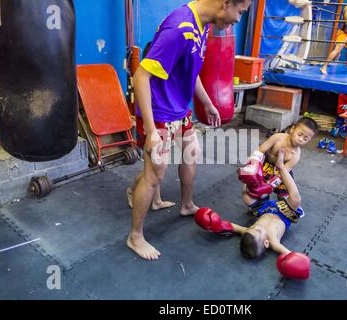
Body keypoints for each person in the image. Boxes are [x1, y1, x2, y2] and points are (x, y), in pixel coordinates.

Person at [127, 0, 252, 260]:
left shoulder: (203, 24)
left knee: (190, 153)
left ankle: (186, 205)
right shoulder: (180, 28)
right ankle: (135, 236)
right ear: (226, 3)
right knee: (155, 174)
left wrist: (207, 102)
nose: (239, 20)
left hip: (181, 108)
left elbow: (189, 69)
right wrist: (151, 131)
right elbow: (140, 76)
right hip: (160, 111)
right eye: (240, 12)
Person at [195, 148, 311, 279]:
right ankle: (282, 169)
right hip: (284, 214)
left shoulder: (250, 233)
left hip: (264, 209)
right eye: (259, 231)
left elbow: (232, 227)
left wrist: (216, 225)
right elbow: (288, 253)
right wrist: (294, 262)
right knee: (296, 199)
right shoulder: (273, 242)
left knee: (246, 195)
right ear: (266, 243)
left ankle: (254, 179)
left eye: (252, 228)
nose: (256, 227)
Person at [238, 117, 318, 200]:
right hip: (266, 165)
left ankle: (279, 208)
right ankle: (259, 206)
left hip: (281, 172)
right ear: (292, 129)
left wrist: (270, 185)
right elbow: (260, 150)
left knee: (285, 197)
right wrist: (251, 166)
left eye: (306, 139)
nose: (301, 140)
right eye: (299, 134)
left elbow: (284, 172)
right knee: (252, 190)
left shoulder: (296, 155)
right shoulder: (278, 137)